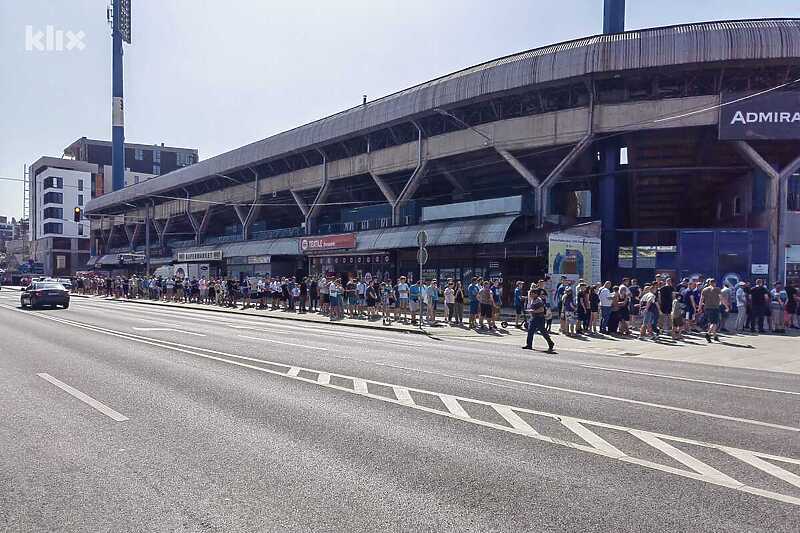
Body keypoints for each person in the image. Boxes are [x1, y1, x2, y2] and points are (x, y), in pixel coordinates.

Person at [522, 288, 556, 353]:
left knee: (543, 332)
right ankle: (529, 345)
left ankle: (550, 343)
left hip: (539, 318)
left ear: (536, 294)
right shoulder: (533, 300)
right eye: (530, 294)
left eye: (532, 294)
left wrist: (533, 311)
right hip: (534, 318)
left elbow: (541, 310)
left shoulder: (538, 300)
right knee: (530, 331)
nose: (531, 295)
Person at [699, 278, 727, 342]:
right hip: (715, 308)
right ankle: (708, 334)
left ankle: (715, 336)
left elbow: (701, 300)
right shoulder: (717, 289)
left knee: (711, 322)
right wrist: (726, 306)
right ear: (714, 283)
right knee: (714, 323)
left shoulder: (704, 289)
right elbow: (721, 299)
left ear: (709, 283)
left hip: (707, 308)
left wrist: (699, 308)